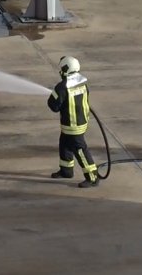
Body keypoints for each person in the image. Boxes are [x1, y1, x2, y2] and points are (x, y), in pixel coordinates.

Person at [47, 56, 99, 188]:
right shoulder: (82, 82)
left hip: (72, 125)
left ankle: (92, 177)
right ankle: (66, 171)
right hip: (79, 122)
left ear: (65, 69)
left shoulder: (62, 87)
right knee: (64, 144)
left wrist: (54, 97)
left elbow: (54, 107)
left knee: (80, 150)